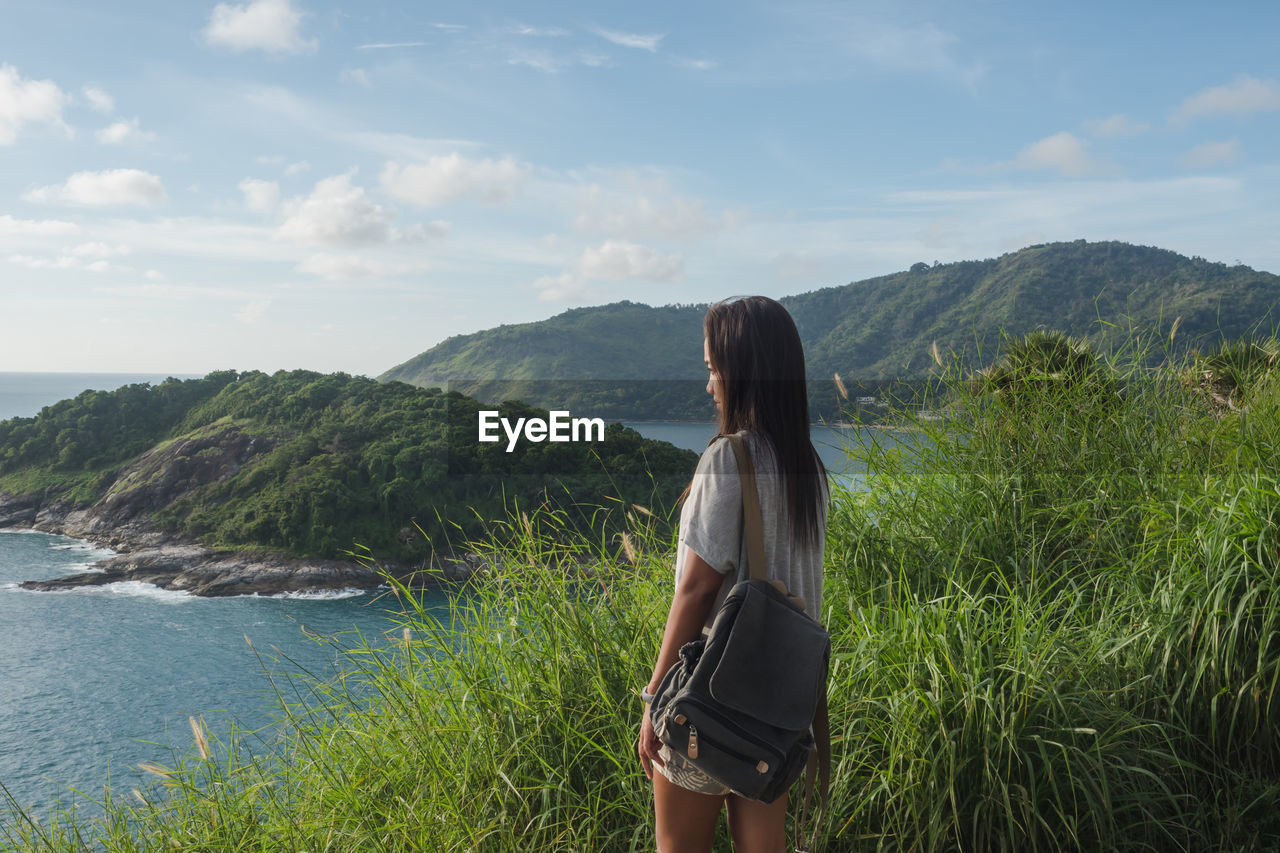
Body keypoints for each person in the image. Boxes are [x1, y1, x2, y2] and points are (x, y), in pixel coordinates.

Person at [637, 296, 829, 853]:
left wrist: (654, 700)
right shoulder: (808, 469)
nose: (709, 385)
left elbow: (696, 590)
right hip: (779, 710)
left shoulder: (729, 458)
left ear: (741, 371)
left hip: (711, 705)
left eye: (713, 370)